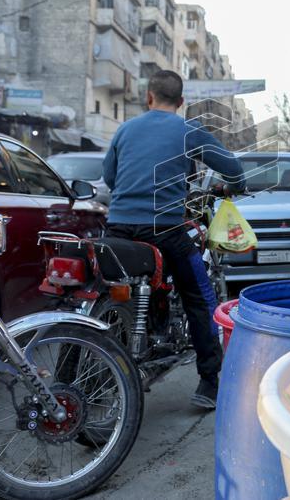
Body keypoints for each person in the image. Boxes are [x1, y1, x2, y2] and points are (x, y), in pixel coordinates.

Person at [102, 70, 244, 410]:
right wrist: (235, 187)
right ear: (181, 102)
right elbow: (234, 170)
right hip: (164, 229)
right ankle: (210, 381)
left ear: (148, 97)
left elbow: (109, 177)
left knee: (101, 289)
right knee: (200, 297)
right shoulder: (188, 130)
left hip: (118, 228)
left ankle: (85, 368)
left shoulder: (125, 129)